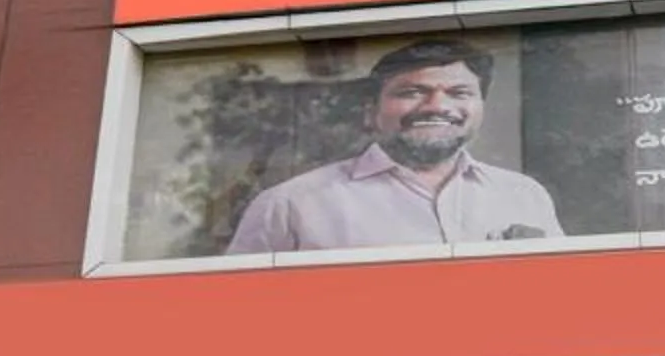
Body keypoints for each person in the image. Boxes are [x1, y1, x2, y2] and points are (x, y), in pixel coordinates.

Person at [227, 39, 563, 253]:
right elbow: (235, 310)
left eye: (459, 93)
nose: (436, 106)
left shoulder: (523, 194)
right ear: (372, 110)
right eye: (412, 92)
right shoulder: (290, 205)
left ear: (480, 106)